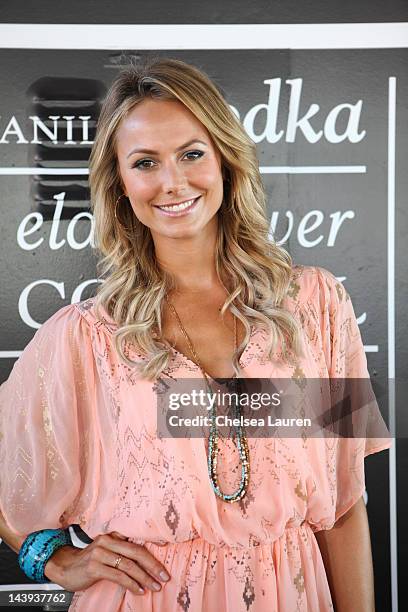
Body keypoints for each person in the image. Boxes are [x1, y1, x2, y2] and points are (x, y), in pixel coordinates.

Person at [0, 57, 392, 611]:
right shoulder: (85, 337)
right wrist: (53, 556)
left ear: (226, 161)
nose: (172, 182)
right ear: (120, 185)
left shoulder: (318, 306)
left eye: (190, 153)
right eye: (145, 162)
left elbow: (346, 502)